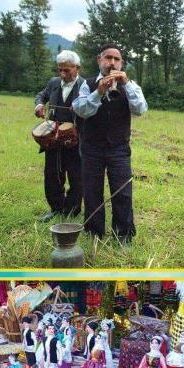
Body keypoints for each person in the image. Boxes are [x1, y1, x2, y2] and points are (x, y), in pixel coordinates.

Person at [73, 43, 148, 244]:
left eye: (116, 59)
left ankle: (123, 234)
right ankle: (94, 232)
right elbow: (81, 110)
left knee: (122, 191)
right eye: (108, 58)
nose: (112, 62)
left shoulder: (130, 85)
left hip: (119, 148)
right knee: (91, 191)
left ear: (121, 63)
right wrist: (98, 92)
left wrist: (127, 83)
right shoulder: (87, 84)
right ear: (100, 60)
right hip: (91, 148)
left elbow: (141, 109)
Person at [34, 50, 84, 222]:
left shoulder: (86, 86)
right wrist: (39, 104)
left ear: (77, 68)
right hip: (53, 139)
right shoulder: (54, 82)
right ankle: (56, 208)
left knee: (77, 177)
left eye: (67, 70)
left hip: (76, 140)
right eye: (60, 70)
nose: (63, 74)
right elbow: (41, 95)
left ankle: (71, 210)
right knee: (52, 175)